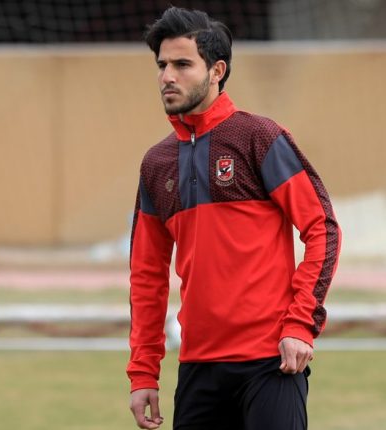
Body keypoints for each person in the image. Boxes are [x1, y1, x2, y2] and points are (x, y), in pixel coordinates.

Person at [127, 7, 341, 430]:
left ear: (216, 70)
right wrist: (143, 372)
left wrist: (300, 324)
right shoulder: (156, 164)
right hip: (198, 368)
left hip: (270, 362)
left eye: (182, 64)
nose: (167, 76)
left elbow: (322, 228)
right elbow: (146, 275)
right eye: (162, 65)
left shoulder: (259, 138)